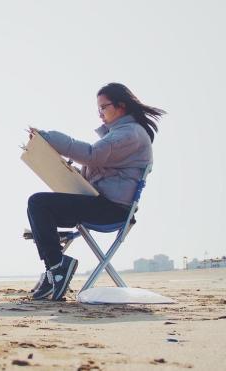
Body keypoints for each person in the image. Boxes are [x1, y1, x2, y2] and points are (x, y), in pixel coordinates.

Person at [27, 83, 166, 301]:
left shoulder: (130, 134)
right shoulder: (121, 134)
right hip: (102, 203)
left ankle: (56, 267)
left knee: (38, 204)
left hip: (112, 209)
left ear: (121, 106)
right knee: (40, 208)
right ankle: (54, 269)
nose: (100, 114)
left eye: (103, 107)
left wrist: (49, 139)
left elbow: (92, 155)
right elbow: (96, 170)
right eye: (98, 109)